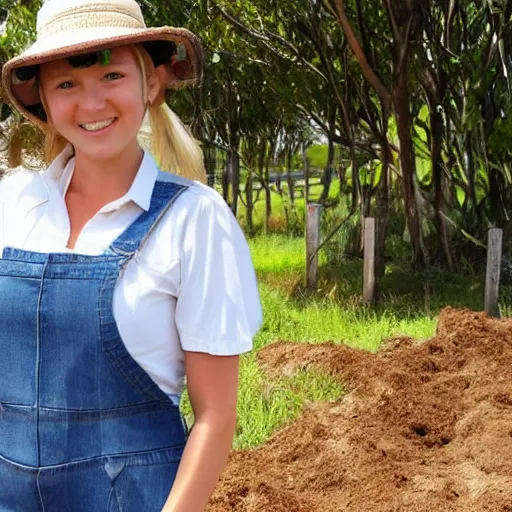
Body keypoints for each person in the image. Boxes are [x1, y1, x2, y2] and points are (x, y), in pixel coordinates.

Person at [0, 1, 262, 511]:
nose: (92, 103)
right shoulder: (11, 205)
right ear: (45, 103)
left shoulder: (195, 220)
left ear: (153, 84)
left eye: (112, 75)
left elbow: (215, 414)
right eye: (66, 85)